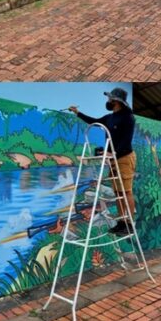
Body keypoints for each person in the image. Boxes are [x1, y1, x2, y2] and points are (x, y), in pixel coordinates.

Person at [68, 87, 137, 235]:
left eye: (110, 99)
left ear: (116, 101)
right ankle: (121, 222)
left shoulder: (128, 117)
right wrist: (77, 113)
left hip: (124, 158)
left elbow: (126, 141)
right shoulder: (109, 118)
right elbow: (94, 121)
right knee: (118, 191)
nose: (108, 101)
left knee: (126, 191)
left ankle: (129, 224)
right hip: (113, 158)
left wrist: (113, 153)